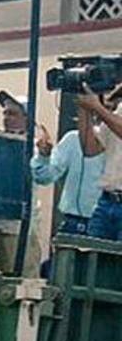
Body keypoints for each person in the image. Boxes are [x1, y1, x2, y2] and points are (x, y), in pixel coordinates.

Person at [32, 112, 106, 236]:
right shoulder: (72, 139)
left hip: (108, 224)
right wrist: (44, 157)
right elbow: (44, 178)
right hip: (71, 222)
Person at [78, 83, 122, 241]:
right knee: (93, 262)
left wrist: (97, 107)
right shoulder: (120, 109)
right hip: (107, 201)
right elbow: (90, 149)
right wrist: (84, 109)